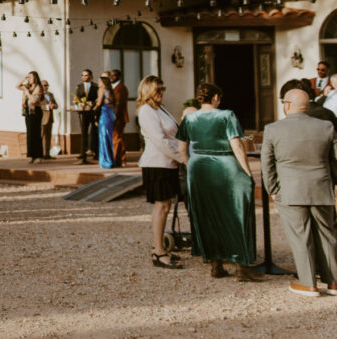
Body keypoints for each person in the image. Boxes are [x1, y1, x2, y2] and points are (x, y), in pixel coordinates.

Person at [177, 83, 258, 280]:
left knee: (208, 214)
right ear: (215, 98)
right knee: (235, 211)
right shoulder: (226, 115)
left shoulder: (189, 118)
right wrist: (248, 172)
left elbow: (181, 150)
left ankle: (216, 264)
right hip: (225, 164)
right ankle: (242, 267)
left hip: (198, 167)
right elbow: (237, 145)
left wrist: (192, 166)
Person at [262, 88, 337, 297]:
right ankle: (333, 282)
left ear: (287, 105)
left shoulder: (272, 129)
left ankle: (308, 283)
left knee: (300, 236)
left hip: (290, 189)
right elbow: (335, 159)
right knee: (327, 234)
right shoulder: (326, 126)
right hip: (321, 187)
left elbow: (266, 163)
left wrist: (273, 190)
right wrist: (333, 184)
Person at [135, 75, 184, 269]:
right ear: (149, 91)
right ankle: (158, 250)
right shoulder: (146, 111)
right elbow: (159, 140)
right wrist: (182, 157)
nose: (162, 93)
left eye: (162, 89)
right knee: (161, 206)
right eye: (158, 89)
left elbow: (173, 135)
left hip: (168, 162)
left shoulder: (160, 108)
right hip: (157, 164)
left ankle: (160, 248)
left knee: (166, 206)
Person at [17, 72, 44, 163]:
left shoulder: (38, 88)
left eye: (31, 77)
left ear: (35, 78)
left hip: (36, 111)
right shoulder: (27, 86)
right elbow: (17, 86)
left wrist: (27, 92)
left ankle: (38, 156)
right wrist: (24, 78)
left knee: (36, 133)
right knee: (30, 134)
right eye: (28, 78)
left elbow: (34, 100)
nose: (29, 79)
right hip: (28, 112)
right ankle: (32, 155)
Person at [74, 69, 100, 164]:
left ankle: (96, 152)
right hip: (83, 113)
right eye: (83, 75)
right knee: (83, 132)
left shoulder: (95, 86)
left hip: (93, 112)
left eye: (86, 75)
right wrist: (78, 104)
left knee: (95, 132)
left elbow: (97, 98)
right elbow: (77, 99)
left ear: (91, 76)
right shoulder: (79, 87)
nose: (85, 77)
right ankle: (82, 153)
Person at [109, 69, 129, 167]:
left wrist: (114, 117)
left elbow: (119, 104)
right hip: (115, 116)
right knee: (117, 138)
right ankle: (119, 159)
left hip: (118, 117)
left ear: (119, 76)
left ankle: (119, 159)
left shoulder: (120, 88)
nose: (111, 77)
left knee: (117, 138)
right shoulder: (114, 87)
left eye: (114, 75)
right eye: (110, 75)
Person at [96, 75, 115, 170]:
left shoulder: (101, 90)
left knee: (103, 137)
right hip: (111, 115)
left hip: (104, 116)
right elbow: (111, 102)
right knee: (109, 137)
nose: (98, 83)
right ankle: (111, 159)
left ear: (103, 83)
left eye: (99, 81)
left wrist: (94, 105)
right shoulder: (110, 91)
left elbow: (99, 103)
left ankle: (105, 161)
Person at [40, 79, 58, 160]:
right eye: (44, 85)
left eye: (47, 85)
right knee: (41, 136)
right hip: (42, 118)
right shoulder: (38, 94)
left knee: (48, 137)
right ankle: (39, 154)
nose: (46, 87)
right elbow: (38, 106)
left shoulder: (50, 94)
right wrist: (47, 107)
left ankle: (47, 154)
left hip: (50, 118)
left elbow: (56, 105)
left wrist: (53, 106)